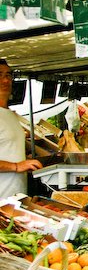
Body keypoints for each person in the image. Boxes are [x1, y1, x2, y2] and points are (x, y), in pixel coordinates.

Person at [0, 60, 42, 198]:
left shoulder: (10, 115)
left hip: (15, 198)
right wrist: (16, 166)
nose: (6, 80)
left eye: (8, 75)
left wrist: (26, 162)